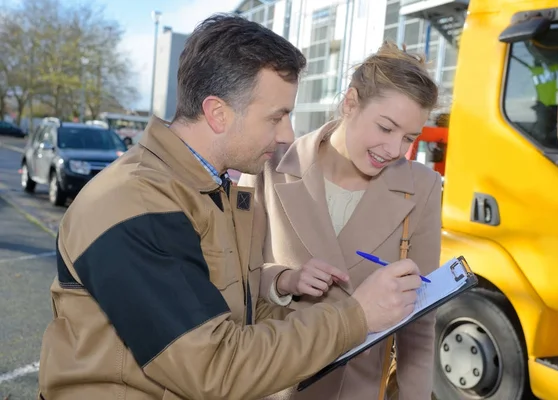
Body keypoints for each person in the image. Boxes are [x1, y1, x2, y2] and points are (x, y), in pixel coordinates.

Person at [37, 15, 425, 400]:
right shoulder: (133, 202)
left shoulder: (213, 189)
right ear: (218, 113)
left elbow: (238, 317)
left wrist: (287, 286)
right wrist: (355, 316)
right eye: (277, 116)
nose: (287, 134)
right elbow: (212, 367)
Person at [239, 41, 442, 400]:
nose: (396, 150)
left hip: (357, 389)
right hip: (270, 382)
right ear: (350, 103)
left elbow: (419, 322)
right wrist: (284, 279)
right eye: (385, 128)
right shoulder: (269, 164)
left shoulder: (422, 187)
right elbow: (233, 277)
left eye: (409, 138)